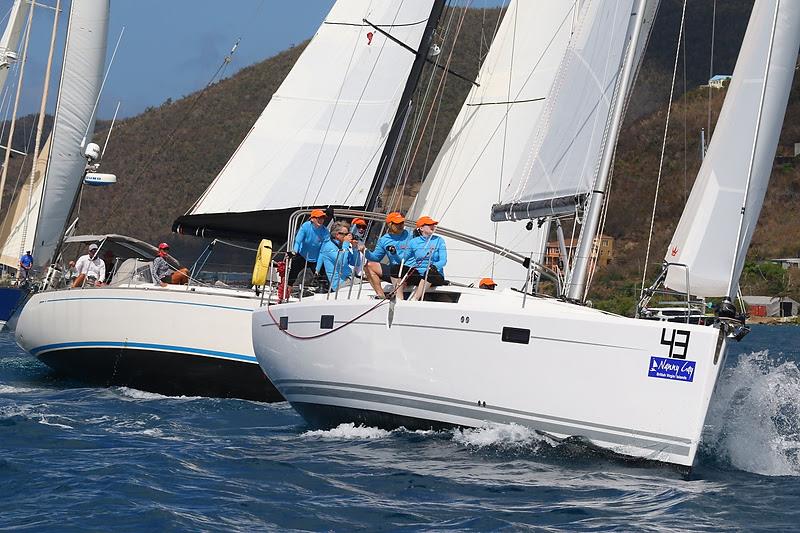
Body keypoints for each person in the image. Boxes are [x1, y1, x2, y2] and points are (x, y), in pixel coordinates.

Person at [363, 212, 412, 299]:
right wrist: (364, 251)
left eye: (402, 223)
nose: (401, 225)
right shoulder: (384, 240)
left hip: (410, 271)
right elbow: (375, 258)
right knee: (369, 266)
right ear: (390, 224)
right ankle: (381, 295)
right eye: (397, 223)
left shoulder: (411, 235)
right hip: (394, 271)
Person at [284, 209, 330, 298]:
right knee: (292, 274)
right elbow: (298, 241)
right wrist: (294, 252)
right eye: (318, 218)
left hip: (316, 258)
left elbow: (322, 251)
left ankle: (322, 294)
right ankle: (286, 293)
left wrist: (318, 267)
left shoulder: (325, 232)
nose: (321, 220)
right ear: (312, 219)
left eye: (323, 218)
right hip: (302, 255)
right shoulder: (305, 226)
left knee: (322, 276)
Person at [404, 216, 447, 300]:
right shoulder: (413, 242)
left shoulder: (439, 240)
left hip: (435, 275)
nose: (433, 226)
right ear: (421, 228)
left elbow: (443, 260)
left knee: (429, 272)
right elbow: (403, 259)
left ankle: (415, 299)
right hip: (419, 274)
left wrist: (434, 266)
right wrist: (394, 253)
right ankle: (399, 299)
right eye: (429, 224)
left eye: (433, 224)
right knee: (396, 269)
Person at [316, 220, 364, 291]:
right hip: (339, 283)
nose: (347, 236)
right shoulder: (329, 247)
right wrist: (346, 244)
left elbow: (356, 263)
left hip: (350, 279)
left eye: (348, 234)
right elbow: (341, 263)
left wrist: (354, 248)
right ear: (337, 235)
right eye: (345, 234)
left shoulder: (341, 245)